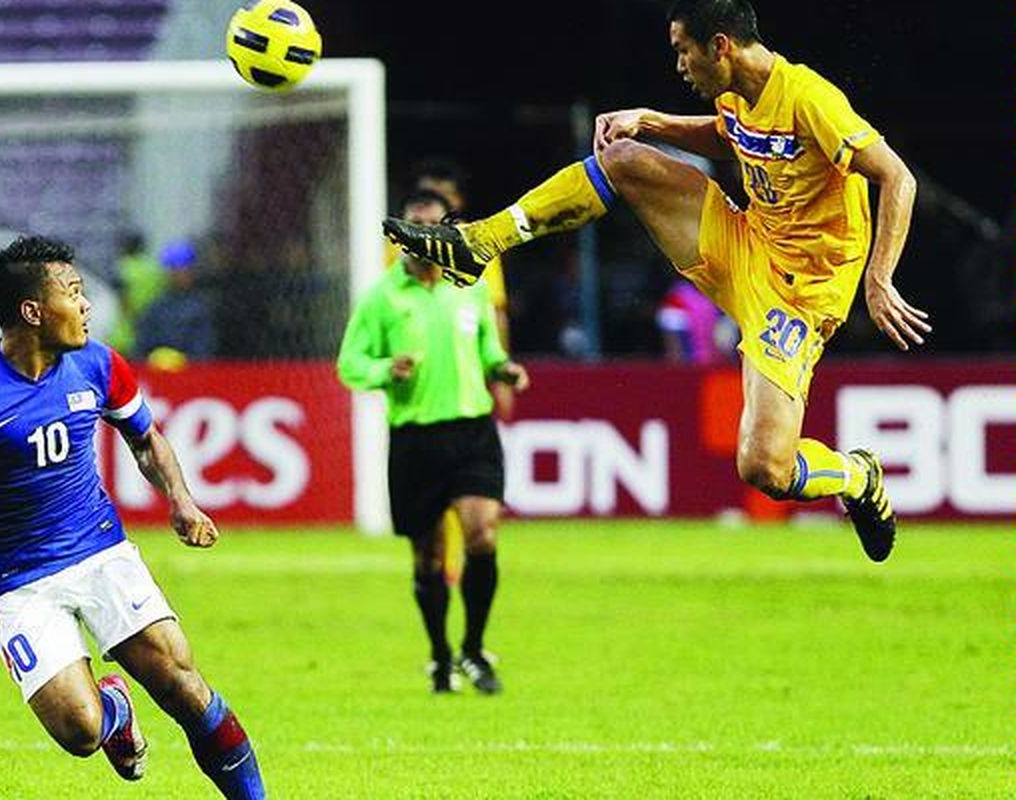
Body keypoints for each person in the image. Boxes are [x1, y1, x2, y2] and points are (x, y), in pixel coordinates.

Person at [384, 0, 930, 562]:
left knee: (764, 465)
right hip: (745, 241)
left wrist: (879, 277)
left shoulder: (811, 98)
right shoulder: (736, 92)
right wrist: (650, 120)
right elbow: (729, 138)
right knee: (624, 158)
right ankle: (480, 241)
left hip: (800, 294)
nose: (679, 65)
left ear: (720, 45)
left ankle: (857, 477)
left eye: (682, 50)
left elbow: (897, 178)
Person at [0, 235, 266, 798]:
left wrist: (181, 500)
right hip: (15, 582)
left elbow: (145, 439)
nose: (87, 304)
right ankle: (114, 710)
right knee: (79, 730)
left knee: (182, 684)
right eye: (73, 292)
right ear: (34, 311)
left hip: (100, 550)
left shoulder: (97, 364)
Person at [339, 190, 530, 694]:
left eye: (434, 227)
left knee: (483, 535)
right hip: (415, 438)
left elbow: (488, 348)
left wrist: (502, 369)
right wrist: (386, 369)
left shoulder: (471, 287)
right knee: (428, 557)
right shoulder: (382, 297)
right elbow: (350, 364)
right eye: (415, 227)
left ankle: (473, 649)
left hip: (472, 430)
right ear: (400, 234)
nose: (424, 238)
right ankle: (440, 655)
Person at [135, 239, 216, 362]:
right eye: (173, 269)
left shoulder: (201, 307)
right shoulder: (156, 307)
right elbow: (142, 345)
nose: (178, 274)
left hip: (190, 374)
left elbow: (204, 347)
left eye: (183, 269)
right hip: (156, 373)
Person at [109, 231, 167, 356]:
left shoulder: (124, 267)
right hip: (154, 322)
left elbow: (123, 299)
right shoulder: (154, 268)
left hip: (128, 326)